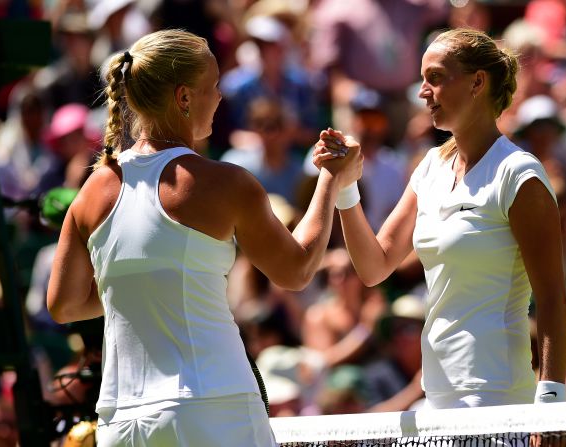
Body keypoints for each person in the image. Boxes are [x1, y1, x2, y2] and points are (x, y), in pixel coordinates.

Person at [46, 29, 362, 446]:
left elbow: (64, 304)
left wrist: (146, 286)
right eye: (213, 87)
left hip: (121, 422)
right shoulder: (225, 183)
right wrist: (330, 179)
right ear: (183, 98)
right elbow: (298, 268)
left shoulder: (92, 191)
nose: (219, 98)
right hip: (213, 410)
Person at [314, 28, 566, 409]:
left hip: (496, 399)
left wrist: (551, 397)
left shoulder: (519, 175)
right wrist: (346, 186)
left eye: (434, 77)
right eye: (422, 79)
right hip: (436, 396)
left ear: (477, 83)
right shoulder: (430, 168)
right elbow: (373, 266)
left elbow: (552, 299)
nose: (422, 92)